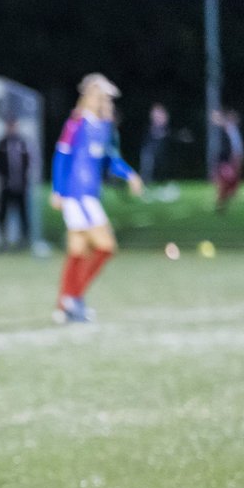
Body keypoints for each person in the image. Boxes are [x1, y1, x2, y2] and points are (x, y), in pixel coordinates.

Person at [49, 73, 144, 323]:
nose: (104, 101)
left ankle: (65, 305)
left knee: (77, 251)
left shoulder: (103, 127)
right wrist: (58, 190)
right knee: (106, 247)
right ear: (88, 96)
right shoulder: (75, 123)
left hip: (90, 195)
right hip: (77, 196)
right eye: (99, 95)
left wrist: (130, 175)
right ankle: (74, 298)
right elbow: (61, 157)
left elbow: (111, 159)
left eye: (106, 97)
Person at [0, 118, 32, 249]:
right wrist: (2, 179)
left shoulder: (22, 142)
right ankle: (2, 240)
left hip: (21, 185)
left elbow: (29, 161)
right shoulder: (1, 143)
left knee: (23, 213)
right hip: (6, 186)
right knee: (3, 213)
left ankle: (24, 240)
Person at [212, 108, 244, 213]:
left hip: (226, 159)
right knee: (225, 180)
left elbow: (233, 146)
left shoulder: (227, 130)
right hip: (223, 160)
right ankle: (220, 203)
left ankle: (222, 201)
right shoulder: (223, 130)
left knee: (229, 180)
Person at [138, 103, 170, 186]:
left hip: (159, 151)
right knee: (146, 167)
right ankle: (144, 183)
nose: (156, 116)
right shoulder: (149, 127)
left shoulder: (164, 128)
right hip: (148, 150)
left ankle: (159, 182)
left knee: (159, 168)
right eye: (154, 114)